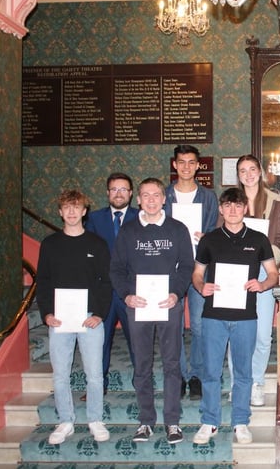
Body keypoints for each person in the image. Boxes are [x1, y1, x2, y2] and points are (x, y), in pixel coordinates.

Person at [191, 187, 279, 445]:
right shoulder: (209, 240)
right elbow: (197, 273)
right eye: (227, 206)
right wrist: (200, 286)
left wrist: (262, 285)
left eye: (237, 206)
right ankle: (210, 421)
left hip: (245, 316)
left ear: (245, 209)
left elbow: (273, 274)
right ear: (221, 209)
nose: (232, 210)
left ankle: (240, 421)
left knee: (243, 373)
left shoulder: (259, 239)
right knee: (210, 371)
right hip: (214, 315)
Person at [110, 177, 194, 444]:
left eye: (156, 195)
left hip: (169, 305)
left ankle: (172, 422)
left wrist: (176, 292)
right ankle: (146, 421)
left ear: (164, 198)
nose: (151, 200)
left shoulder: (178, 229)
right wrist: (127, 295)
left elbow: (187, 266)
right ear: (138, 200)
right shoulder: (128, 231)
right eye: (145, 195)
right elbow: (117, 269)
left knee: (171, 364)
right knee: (142, 365)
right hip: (139, 307)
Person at [35, 189, 112, 445]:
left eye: (76, 207)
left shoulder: (97, 244)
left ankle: (95, 419)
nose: (71, 212)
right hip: (59, 318)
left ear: (84, 211)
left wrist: (100, 313)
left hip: (90, 317)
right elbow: (43, 281)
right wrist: (46, 313)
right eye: (66, 208)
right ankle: (66, 420)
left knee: (94, 373)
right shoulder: (50, 244)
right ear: (60, 212)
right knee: (60, 373)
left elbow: (105, 282)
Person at [164, 144, 219, 401]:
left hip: (200, 267)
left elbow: (216, 233)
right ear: (174, 165)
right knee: (173, 325)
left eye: (191, 162)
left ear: (198, 166)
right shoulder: (164, 196)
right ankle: (178, 376)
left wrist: (208, 237)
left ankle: (196, 375)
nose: (186, 166)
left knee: (198, 324)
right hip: (170, 269)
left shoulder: (208, 197)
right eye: (181, 162)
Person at [231, 154, 280, 407]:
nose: (248, 174)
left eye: (252, 169)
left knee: (263, 335)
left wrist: (266, 255)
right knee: (237, 332)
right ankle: (238, 383)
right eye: (243, 170)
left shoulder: (276, 201)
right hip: (235, 272)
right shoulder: (230, 201)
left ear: (261, 171)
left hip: (265, 271)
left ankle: (257, 382)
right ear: (238, 174)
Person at [85, 172, 138, 397]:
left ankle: (141, 384)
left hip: (132, 290)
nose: (119, 194)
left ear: (131, 193)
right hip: (104, 290)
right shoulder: (94, 219)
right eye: (114, 189)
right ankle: (98, 386)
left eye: (123, 189)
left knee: (137, 341)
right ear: (107, 193)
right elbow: (89, 254)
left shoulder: (141, 217)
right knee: (100, 341)